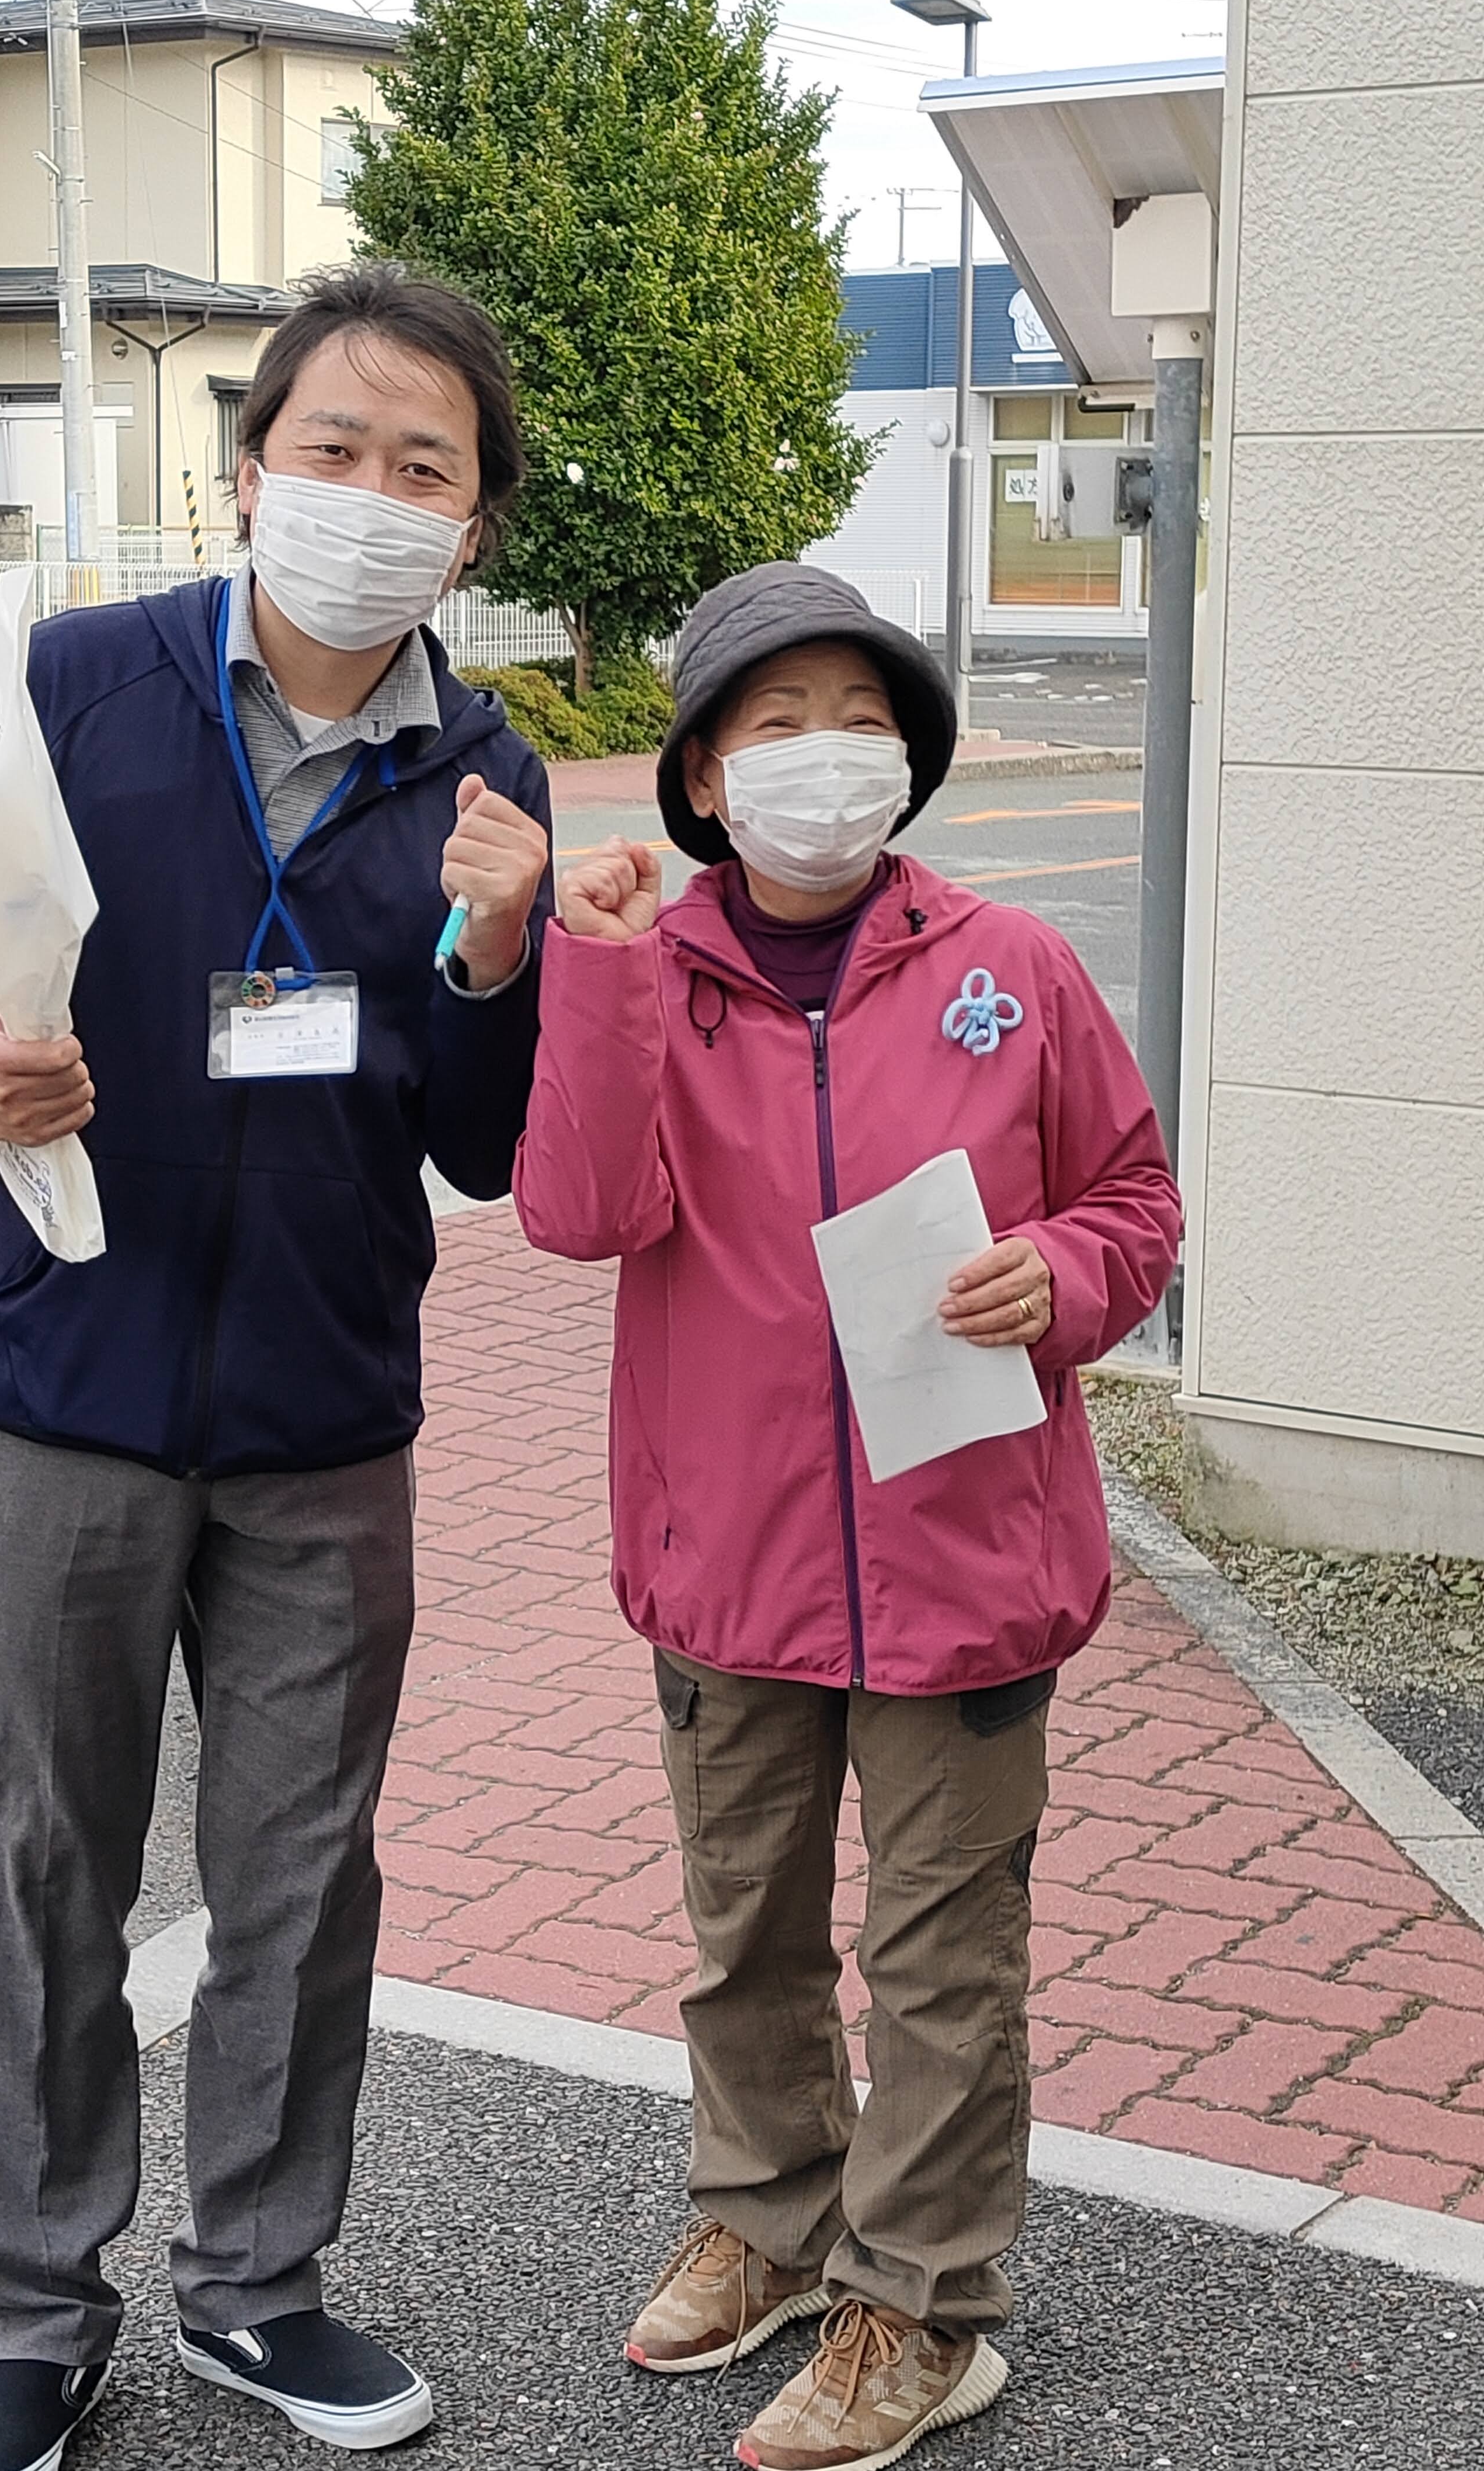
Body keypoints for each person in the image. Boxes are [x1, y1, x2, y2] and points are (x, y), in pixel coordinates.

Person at [0, 261, 552, 2471]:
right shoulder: (60, 685)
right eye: (330, 448)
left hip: (324, 1420)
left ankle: (258, 2286)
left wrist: (503, 955)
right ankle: (37, 2317)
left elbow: (480, 1138)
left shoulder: (480, 772)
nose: (366, 493)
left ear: (473, 531)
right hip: (59, 1387)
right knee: (45, 1862)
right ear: (249, 468)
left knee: (301, 1877)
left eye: (418, 468)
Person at [513, 562, 1180, 2471]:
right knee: (748, 1933)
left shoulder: (1012, 969)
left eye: (861, 717)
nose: (827, 755)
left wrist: (1060, 1276)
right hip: (729, 1555)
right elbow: (576, 1209)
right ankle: (771, 2222)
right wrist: (607, 970)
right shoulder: (651, 959)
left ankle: (927, 2304)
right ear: (706, 780)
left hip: (964, 1555)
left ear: (913, 760)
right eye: (776, 723)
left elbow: (1133, 1205)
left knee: (948, 1960)